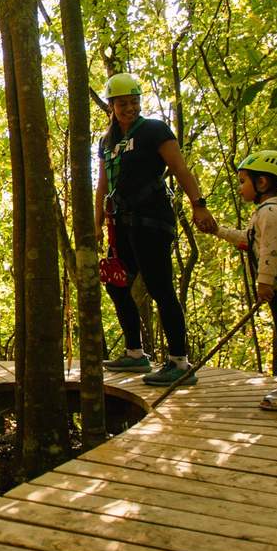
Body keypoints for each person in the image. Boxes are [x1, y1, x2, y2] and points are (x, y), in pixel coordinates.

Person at [92, 73, 217, 385]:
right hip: (121, 222)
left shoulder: (153, 129)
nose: (130, 108)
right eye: (123, 103)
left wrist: (198, 203)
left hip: (152, 219)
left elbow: (179, 167)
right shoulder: (106, 142)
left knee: (160, 287)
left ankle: (179, 361)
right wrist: (95, 223)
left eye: (134, 102)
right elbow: (103, 183)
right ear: (111, 106)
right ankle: (135, 354)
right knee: (116, 284)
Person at [209, 150, 277, 410]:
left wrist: (264, 282)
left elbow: (271, 251)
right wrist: (218, 231)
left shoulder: (270, 212)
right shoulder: (270, 212)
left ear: (262, 182)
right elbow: (251, 239)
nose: (241, 187)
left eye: (244, 181)